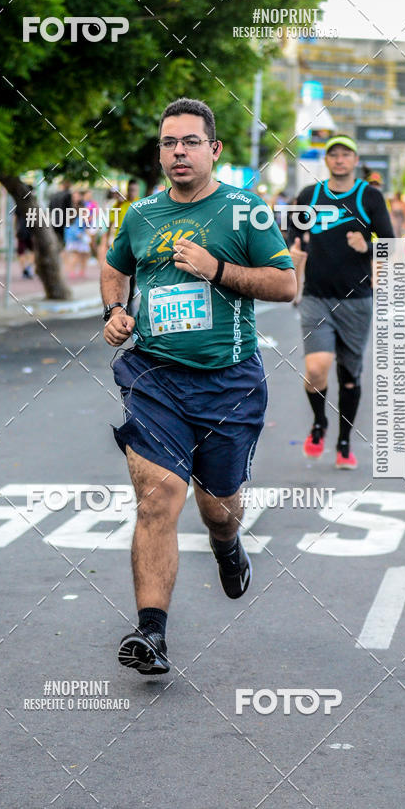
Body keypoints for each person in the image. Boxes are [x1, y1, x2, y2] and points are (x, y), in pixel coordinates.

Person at [101, 97, 296, 675]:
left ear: (213, 150)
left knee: (218, 508)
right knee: (159, 495)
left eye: (189, 142)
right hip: (155, 376)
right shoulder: (140, 216)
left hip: (229, 384)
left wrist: (217, 270)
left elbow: (286, 284)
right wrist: (115, 309)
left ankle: (226, 545)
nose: (178, 151)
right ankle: (151, 632)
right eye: (168, 142)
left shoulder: (245, 212)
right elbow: (116, 265)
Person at [290, 133, 394, 470]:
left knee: (349, 376)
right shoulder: (310, 195)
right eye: (332, 154)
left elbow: (393, 246)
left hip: (356, 300)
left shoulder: (370, 197)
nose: (338, 159)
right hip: (317, 297)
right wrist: (294, 248)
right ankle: (320, 423)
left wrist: (367, 247)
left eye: (345, 154)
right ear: (327, 161)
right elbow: (292, 232)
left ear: (354, 160)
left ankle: (344, 441)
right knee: (316, 369)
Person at [63, 190, 90, 278]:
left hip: (77, 234)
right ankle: (74, 271)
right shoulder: (71, 209)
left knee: (82, 254)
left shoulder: (79, 208)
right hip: (75, 235)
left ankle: (78, 271)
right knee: (77, 254)